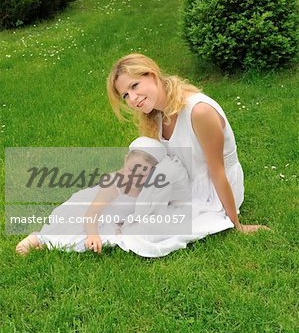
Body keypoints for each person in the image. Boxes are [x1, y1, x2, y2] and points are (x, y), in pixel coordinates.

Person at [107, 53, 269, 237]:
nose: (133, 98)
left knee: (149, 232)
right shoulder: (154, 113)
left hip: (212, 191)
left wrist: (236, 224)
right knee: (116, 205)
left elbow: (217, 171)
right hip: (184, 180)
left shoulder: (199, 111)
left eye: (135, 86)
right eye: (126, 95)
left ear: (152, 75)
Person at [15, 137, 168, 255]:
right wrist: (93, 235)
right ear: (126, 160)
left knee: (113, 240)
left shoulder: (146, 190)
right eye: (132, 169)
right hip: (90, 215)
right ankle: (39, 238)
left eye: (142, 174)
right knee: (80, 238)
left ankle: (48, 246)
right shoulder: (114, 184)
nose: (135, 176)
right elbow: (92, 212)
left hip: (109, 219)